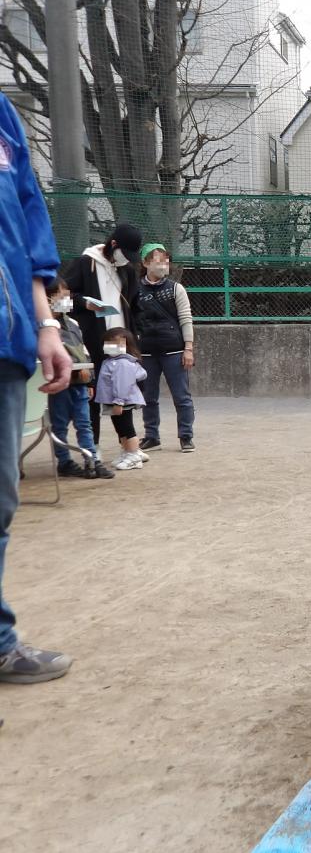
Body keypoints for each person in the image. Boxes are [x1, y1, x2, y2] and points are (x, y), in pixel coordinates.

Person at [0, 90, 74, 685]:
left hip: (6, 339)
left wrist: (46, 324)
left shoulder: (3, 117)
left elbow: (25, 225)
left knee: (0, 499)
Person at [64, 222, 142, 448]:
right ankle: (92, 448)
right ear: (113, 244)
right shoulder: (85, 263)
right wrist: (83, 303)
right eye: (123, 252)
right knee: (91, 393)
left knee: (121, 392)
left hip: (118, 342)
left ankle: (129, 446)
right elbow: (60, 299)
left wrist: (136, 335)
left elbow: (136, 305)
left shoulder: (127, 269)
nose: (126, 259)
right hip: (90, 341)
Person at [134, 243, 197, 453]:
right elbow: (131, 320)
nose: (164, 264)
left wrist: (188, 348)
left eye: (166, 260)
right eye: (158, 260)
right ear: (145, 263)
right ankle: (152, 436)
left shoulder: (176, 289)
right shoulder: (135, 290)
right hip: (146, 352)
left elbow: (186, 319)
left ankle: (186, 436)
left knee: (182, 396)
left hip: (174, 350)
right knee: (148, 397)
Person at [47, 283, 114, 479]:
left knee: (84, 424)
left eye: (68, 296)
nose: (67, 301)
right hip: (59, 385)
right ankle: (64, 462)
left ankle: (92, 461)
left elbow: (84, 352)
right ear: (48, 299)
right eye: (62, 296)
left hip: (80, 384)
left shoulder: (73, 324)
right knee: (59, 426)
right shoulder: (44, 328)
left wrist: (89, 380)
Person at [94, 327, 148, 471]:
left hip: (122, 401)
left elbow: (123, 384)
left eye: (117, 343)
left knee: (127, 428)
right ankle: (127, 452)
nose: (112, 347)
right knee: (120, 429)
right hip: (114, 401)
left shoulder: (122, 363)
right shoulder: (111, 361)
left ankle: (134, 455)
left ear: (127, 345)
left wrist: (119, 402)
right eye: (109, 343)